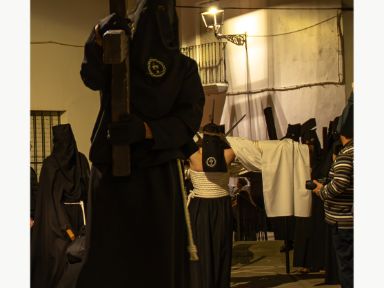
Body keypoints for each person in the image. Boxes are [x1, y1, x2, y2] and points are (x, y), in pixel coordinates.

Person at [75, 0, 205, 287]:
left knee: (155, 262)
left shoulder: (184, 69)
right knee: (108, 260)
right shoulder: (118, 54)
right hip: (111, 172)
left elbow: (187, 121)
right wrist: (98, 35)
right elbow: (91, 76)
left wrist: (146, 131)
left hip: (157, 176)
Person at [31, 124, 90, 288]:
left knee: (81, 255)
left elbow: (88, 190)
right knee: (58, 257)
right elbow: (49, 200)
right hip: (56, 220)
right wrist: (65, 227)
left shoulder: (81, 161)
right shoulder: (51, 166)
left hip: (80, 217)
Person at [187, 123, 235, 288]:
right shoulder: (229, 153)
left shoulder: (193, 155)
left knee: (202, 249)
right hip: (220, 205)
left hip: (202, 206)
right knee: (220, 247)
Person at [313, 105, 354, 288]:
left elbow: (339, 185)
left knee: (347, 268)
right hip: (349, 218)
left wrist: (321, 191)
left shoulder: (346, 154)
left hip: (344, 220)